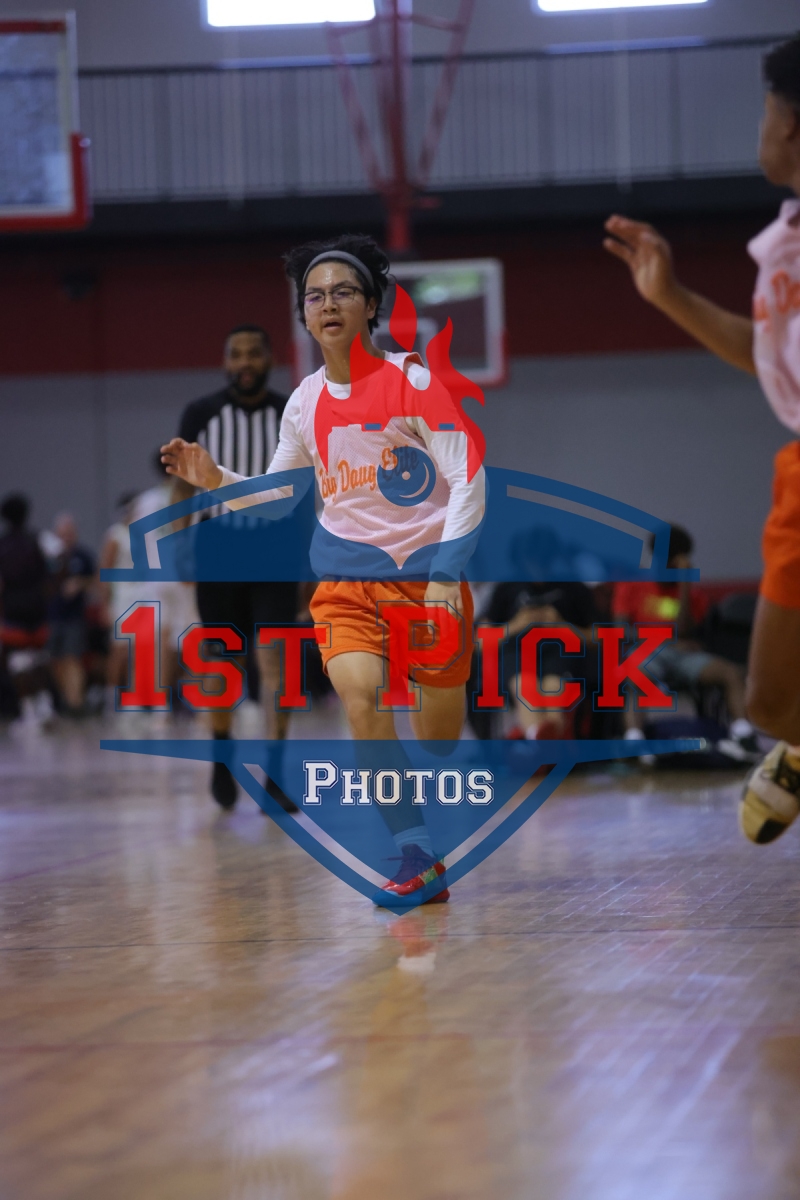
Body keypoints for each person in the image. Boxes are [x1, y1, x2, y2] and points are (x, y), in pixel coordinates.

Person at [161, 234, 486, 902]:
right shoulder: (304, 402)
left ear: (371, 306)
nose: (328, 304)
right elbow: (279, 499)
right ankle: (416, 855)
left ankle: (442, 698)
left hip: (427, 580)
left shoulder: (412, 382)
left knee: (439, 739)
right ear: (304, 316)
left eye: (343, 292)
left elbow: (467, 477)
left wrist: (447, 577)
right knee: (362, 704)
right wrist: (216, 478)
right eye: (315, 296)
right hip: (344, 586)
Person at [603, 32, 800, 839]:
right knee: (771, 700)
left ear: (789, 124)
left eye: (763, 109)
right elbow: (770, 359)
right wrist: (669, 295)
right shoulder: (787, 236)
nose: (759, 126)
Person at [173, 329, 298, 810]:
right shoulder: (200, 414)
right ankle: (222, 758)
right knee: (224, 662)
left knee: (275, 661)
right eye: (236, 355)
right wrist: (179, 541)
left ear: (269, 359)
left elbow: (306, 486)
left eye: (253, 353)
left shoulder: (290, 412)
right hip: (218, 549)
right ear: (226, 362)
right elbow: (182, 486)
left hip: (276, 549)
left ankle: (275, 773)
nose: (245, 362)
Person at [611, 525, 759, 764]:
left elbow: (685, 630)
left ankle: (743, 737)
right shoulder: (631, 585)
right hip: (646, 650)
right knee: (635, 670)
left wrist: (684, 586)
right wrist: (662, 639)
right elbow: (620, 631)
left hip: (683, 654)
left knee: (730, 673)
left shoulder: (693, 594)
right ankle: (634, 741)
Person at [0, 494, 53, 727]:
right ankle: (45, 706)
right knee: (38, 658)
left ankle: (29, 710)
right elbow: (58, 565)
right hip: (37, 607)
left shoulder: (3, 544)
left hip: (13, 608)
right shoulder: (39, 539)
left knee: (18, 661)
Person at [47, 513, 95, 716]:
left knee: (73, 658)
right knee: (55, 659)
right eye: (62, 533)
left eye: (69, 533)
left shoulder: (82, 556)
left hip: (74, 616)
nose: (66, 537)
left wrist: (80, 583)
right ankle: (66, 698)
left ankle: (76, 702)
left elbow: (95, 579)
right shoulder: (50, 557)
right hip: (52, 616)